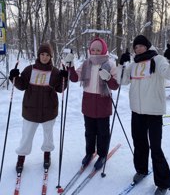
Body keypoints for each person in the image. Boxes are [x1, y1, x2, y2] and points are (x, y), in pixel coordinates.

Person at [117, 35, 170, 195]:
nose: (138, 49)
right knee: (139, 143)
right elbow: (122, 81)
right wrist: (121, 64)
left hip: (153, 111)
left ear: (147, 46)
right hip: (136, 111)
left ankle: (163, 182)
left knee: (156, 147)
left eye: (140, 46)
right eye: (135, 47)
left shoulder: (158, 60)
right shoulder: (134, 64)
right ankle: (141, 170)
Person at [9, 43, 68, 173]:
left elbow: (60, 89)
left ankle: (47, 155)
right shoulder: (29, 70)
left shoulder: (55, 72)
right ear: (38, 55)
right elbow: (21, 85)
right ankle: (21, 158)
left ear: (51, 57)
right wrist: (13, 77)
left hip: (49, 110)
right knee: (26, 136)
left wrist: (65, 78)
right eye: (42, 54)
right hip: (30, 110)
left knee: (48, 135)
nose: (45, 57)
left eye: (47, 55)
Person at [64, 37, 119, 170]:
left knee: (103, 132)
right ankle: (89, 153)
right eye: (93, 49)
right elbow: (74, 78)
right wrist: (70, 65)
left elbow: (115, 85)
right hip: (88, 102)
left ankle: (102, 154)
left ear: (103, 50)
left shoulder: (110, 64)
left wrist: (108, 78)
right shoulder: (86, 63)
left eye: (98, 50)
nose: (95, 52)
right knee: (89, 131)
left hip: (103, 101)